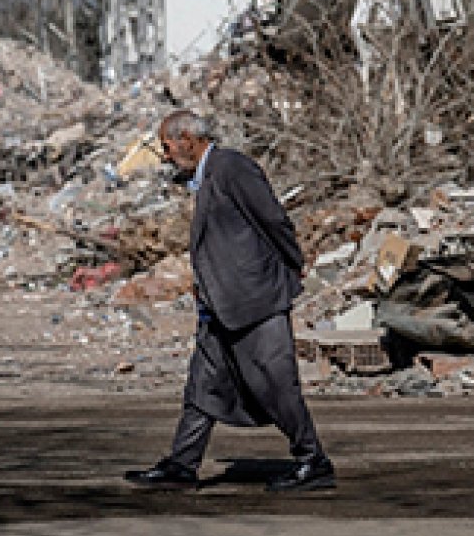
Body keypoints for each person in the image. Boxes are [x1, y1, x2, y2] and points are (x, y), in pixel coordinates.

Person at [124, 110, 335, 492]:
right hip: (222, 305)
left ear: (188, 138)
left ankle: (312, 460)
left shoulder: (233, 168)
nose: (166, 155)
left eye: (167, 146)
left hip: (256, 300)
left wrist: (291, 268)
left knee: (276, 383)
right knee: (201, 387)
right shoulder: (206, 177)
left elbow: (273, 221)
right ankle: (182, 464)